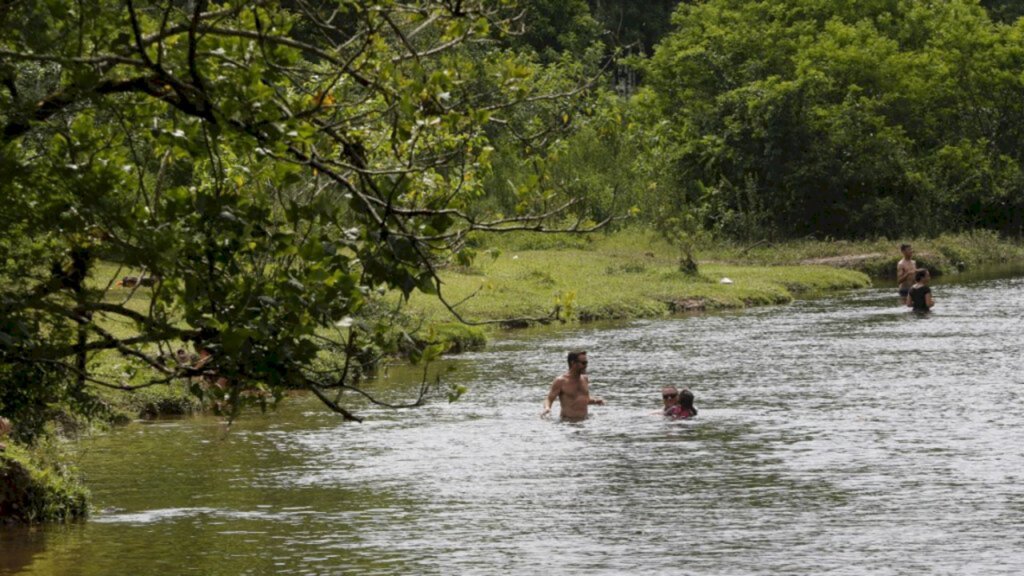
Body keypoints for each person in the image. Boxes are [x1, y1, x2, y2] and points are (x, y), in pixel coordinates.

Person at [541, 350, 604, 421]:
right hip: (567, 423)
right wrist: (547, 408)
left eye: (586, 363)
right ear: (573, 363)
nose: (586, 366)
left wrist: (595, 401)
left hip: (584, 422)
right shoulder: (560, 381)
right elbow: (549, 399)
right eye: (583, 363)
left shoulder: (585, 379)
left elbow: (583, 399)